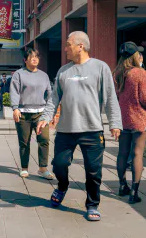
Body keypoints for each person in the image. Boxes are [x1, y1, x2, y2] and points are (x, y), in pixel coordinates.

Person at [37, 31, 122, 221]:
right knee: (59, 165)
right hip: (66, 130)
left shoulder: (101, 68)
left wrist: (115, 123)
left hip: (92, 130)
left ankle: (92, 205)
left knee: (93, 171)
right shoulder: (63, 71)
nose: (65, 48)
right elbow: (54, 99)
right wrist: (46, 116)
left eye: (68, 44)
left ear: (80, 46)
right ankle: (62, 186)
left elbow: (110, 98)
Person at [113, 41, 146, 204]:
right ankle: (134, 192)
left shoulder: (118, 72)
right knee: (137, 154)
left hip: (123, 119)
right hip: (139, 118)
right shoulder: (139, 73)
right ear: (134, 55)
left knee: (122, 153)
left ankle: (122, 186)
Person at [10, 48, 54, 180]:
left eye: (36, 56)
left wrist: (49, 112)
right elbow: (15, 91)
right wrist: (15, 108)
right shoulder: (19, 74)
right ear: (25, 60)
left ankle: (43, 168)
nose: (34, 59)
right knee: (24, 142)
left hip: (41, 113)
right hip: (23, 113)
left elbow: (50, 94)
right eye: (31, 57)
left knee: (44, 140)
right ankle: (24, 168)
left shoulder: (44, 75)